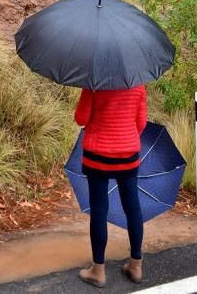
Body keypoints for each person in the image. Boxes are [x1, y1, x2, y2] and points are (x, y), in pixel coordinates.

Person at [75, 85, 147, 288]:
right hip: (128, 155)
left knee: (99, 210)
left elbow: (81, 118)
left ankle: (98, 271)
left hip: (97, 155)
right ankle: (136, 265)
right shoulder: (138, 84)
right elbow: (140, 123)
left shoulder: (94, 83)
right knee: (132, 207)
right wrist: (125, 138)